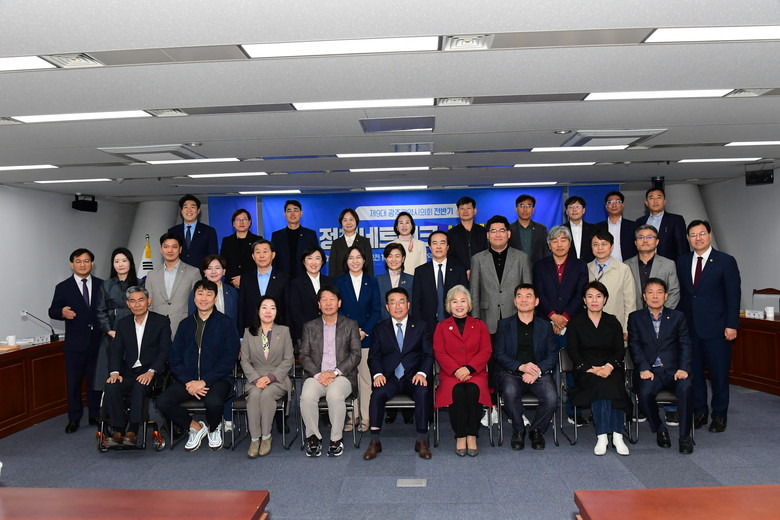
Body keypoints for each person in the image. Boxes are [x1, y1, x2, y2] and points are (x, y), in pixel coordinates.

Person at [157, 280, 240, 452]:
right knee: (162, 401)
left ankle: (214, 427)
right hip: (188, 379)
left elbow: (229, 359)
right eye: (200, 294)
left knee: (214, 402)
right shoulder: (185, 325)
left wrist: (204, 381)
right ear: (194, 298)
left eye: (209, 294)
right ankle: (195, 427)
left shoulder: (226, 323)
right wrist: (189, 381)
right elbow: (174, 358)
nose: (204, 298)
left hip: (217, 379)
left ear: (215, 298)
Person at [676, 220, 740, 433]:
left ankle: (720, 415)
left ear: (709, 235)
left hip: (717, 329)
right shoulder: (682, 261)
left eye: (702, 233)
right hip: (690, 329)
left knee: (719, 374)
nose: (698, 238)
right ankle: (700, 412)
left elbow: (733, 295)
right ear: (688, 239)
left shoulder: (725, 261)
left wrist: (732, 324)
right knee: (694, 374)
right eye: (693, 235)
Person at [363, 288, 434, 460]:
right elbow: (374, 356)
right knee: (377, 394)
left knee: (423, 392)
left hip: (413, 376)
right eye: (392, 302)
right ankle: (375, 441)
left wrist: (422, 373)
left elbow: (428, 354)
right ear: (387, 307)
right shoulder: (380, 328)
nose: (397, 306)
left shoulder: (421, 326)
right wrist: (378, 374)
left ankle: (421, 439)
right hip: (390, 377)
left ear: (408, 305)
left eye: (401, 302)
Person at [627, 278, 694, 454]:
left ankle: (685, 436)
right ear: (644, 296)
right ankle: (659, 428)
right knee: (644, 393)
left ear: (666, 296)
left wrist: (683, 368)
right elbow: (634, 345)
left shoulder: (677, 317)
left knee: (686, 388)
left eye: (659, 292)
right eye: (650, 292)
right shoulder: (635, 317)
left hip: (674, 371)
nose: (655, 296)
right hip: (650, 371)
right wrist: (643, 368)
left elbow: (685, 344)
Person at [533, 225, 589, 427]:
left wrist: (564, 317)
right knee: (544, 369)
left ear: (569, 244)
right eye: (554, 241)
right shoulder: (540, 266)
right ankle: (546, 409)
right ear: (549, 245)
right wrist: (552, 316)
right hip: (545, 323)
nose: (559, 244)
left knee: (573, 369)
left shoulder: (580, 265)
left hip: (571, 324)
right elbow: (539, 292)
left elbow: (580, 294)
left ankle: (574, 410)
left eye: (563, 240)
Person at [566, 281, 631, 456]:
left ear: (605, 299)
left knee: (613, 382)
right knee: (602, 385)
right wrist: (590, 369)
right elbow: (573, 350)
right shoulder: (575, 322)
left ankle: (617, 436)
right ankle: (602, 436)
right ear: (584, 300)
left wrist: (608, 367)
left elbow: (619, 350)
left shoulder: (613, 322)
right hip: (586, 370)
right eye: (590, 296)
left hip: (611, 367)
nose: (594, 300)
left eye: (599, 296)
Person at [493, 284, 558, 451]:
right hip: (511, 373)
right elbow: (499, 354)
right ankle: (519, 430)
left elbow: (552, 356)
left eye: (528, 296)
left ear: (536, 301)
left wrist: (536, 370)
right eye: (519, 296)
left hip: (538, 374)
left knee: (551, 398)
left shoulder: (545, 326)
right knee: (509, 392)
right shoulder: (504, 325)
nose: (524, 300)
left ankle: (536, 430)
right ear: (515, 301)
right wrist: (522, 367)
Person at [299, 286, 362, 457]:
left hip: (342, 375)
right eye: (324, 300)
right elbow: (303, 355)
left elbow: (356, 354)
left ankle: (336, 439)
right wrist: (319, 374)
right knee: (307, 396)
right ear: (319, 304)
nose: (328, 303)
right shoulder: (309, 327)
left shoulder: (350, 325)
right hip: (316, 375)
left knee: (334, 395)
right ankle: (313, 438)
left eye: (332, 299)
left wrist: (334, 373)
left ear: (339, 303)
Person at [104, 286, 170, 447]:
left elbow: (165, 351)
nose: (137, 304)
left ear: (149, 301)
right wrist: (114, 372)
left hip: (152, 372)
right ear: (128, 304)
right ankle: (118, 430)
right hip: (128, 372)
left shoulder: (161, 321)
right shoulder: (123, 323)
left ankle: (133, 431)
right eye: (132, 301)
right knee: (111, 385)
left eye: (141, 300)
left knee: (140, 386)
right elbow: (116, 351)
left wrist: (151, 371)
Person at [48, 248, 104, 433]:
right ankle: (74, 418)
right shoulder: (63, 287)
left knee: (95, 382)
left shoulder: (102, 285)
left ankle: (95, 414)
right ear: (72, 264)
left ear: (92, 264)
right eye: (78, 261)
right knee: (73, 383)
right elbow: (52, 311)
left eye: (86, 261)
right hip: (75, 345)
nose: (82, 265)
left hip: (97, 342)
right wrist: (61, 312)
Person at [433, 285, 492, 456]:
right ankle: (460, 435)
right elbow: (439, 352)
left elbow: (486, 350)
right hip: (451, 374)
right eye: (454, 301)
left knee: (473, 390)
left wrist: (469, 368)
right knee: (457, 391)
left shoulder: (479, 325)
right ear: (448, 305)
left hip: (475, 372)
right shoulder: (441, 327)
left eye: (463, 301)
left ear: (469, 304)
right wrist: (457, 370)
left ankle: (472, 434)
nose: (459, 305)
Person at [240, 296, 294, 458]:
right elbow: (244, 360)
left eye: (272, 308)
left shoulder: (284, 331)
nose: (268, 311)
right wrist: (257, 379)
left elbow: (288, 359)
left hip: (278, 378)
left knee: (267, 394)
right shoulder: (249, 332)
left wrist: (270, 378)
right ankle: (254, 439)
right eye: (264, 307)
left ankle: (266, 437)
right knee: (255, 395)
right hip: (255, 378)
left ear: (277, 312)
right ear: (258, 311)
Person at [334, 246, 381, 432]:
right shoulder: (339, 282)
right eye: (351, 258)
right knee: (348, 378)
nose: (355, 261)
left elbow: (376, 310)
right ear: (346, 262)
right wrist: (353, 332)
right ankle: (352, 416)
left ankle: (366, 417)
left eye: (358, 257)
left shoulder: (372, 281)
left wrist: (364, 331)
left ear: (364, 260)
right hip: (346, 337)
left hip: (367, 337)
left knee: (366, 378)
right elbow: (337, 309)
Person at [469, 215, 532, 334]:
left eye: (502, 231)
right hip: (487, 320)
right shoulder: (477, 259)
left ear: (508, 234)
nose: (498, 235)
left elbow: (528, 291)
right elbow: (474, 292)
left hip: (515, 317)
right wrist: (475, 319)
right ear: (488, 235)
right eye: (493, 231)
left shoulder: (522, 258)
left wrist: (528, 317)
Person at [95, 247, 142, 393]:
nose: (120, 264)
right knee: (109, 374)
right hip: (111, 334)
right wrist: (110, 331)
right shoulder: (106, 285)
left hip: (134, 333)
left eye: (124, 260)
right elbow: (100, 311)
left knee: (131, 375)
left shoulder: (140, 284)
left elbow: (143, 309)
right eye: (116, 261)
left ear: (130, 263)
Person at [145, 233, 201, 337]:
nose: (170, 250)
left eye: (174, 247)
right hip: (157, 330)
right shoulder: (152, 275)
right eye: (166, 246)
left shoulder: (193, 272)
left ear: (180, 249)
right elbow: (149, 305)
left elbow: (198, 302)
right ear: (161, 249)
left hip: (184, 328)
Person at [412, 230, 468, 334]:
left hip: (454, 323)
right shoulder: (421, 271)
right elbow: (416, 302)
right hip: (427, 325)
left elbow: (465, 299)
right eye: (435, 243)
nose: (438, 247)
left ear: (448, 247)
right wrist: (418, 327)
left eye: (442, 243)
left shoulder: (459, 270)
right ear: (430, 247)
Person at [588, 229, 636, 339]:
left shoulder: (623, 269)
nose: (600, 248)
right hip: (589, 326)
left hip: (616, 325)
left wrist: (627, 328)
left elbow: (630, 302)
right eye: (596, 244)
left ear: (612, 246)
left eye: (604, 244)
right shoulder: (585, 268)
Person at [238, 239, 290, 332]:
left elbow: (287, 308)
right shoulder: (246, 278)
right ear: (253, 256)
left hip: (277, 330)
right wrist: (241, 334)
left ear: (273, 255)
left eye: (265, 252)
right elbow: (241, 307)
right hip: (252, 330)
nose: (261, 256)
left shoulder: (284, 278)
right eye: (258, 252)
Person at [625, 225, 680, 311]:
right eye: (641, 237)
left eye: (649, 237)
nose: (645, 240)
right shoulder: (626, 265)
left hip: (661, 316)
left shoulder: (668, 264)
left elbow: (674, 292)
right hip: (633, 315)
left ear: (657, 242)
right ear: (635, 242)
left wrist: (660, 313)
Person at [289, 246, 334, 346]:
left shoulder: (330, 282)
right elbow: (296, 312)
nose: (313, 262)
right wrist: (314, 329)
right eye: (309, 258)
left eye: (317, 258)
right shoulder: (296, 284)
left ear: (322, 261)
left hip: (330, 334)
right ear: (304, 262)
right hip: (306, 335)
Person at [635, 188, 688, 261]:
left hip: (668, 264)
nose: (655, 201)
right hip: (644, 263)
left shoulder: (675, 220)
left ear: (664, 201)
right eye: (652, 198)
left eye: (659, 197)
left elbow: (682, 247)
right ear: (646, 203)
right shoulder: (640, 221)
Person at [167, 194, 218, 269]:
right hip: (178, 272)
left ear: (198, 211)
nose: (189, 210)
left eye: (192, 207)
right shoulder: (173, 231)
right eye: (185, 207)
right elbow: (170, 254)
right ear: (181, 211)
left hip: (200, 273)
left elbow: (213, 256)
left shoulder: (209, 231)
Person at [271, 199, 319, 279]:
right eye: (289, 211)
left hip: (304, 278)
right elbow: (274, 260)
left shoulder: (310, 234)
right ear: (285, 214)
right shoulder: (277, 236)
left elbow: (316, 256)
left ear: (301, 213)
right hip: (282, 279)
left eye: (296, 210)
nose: (292, 214)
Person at [188, 254, 238, 326]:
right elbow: (192, 317)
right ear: (204, 272)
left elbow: (236, 317)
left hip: (227, 330)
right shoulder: (197, 291)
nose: (213, 272)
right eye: (209, 268)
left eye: (217, 268)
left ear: (224, 271)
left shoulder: (232, 292)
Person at [219, 208, 261, 289]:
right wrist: (234, 279)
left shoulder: (257, 240)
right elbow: (223, 262)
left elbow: (260, 263)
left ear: (249, 222)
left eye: (244, 219)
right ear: (233, 223)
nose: (241, 222)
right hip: (231, 283)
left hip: (252, 282)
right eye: (238, 220)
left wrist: (243, 278)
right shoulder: (227, 241)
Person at [328, 208, 374, 279]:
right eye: (345, 220)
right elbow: (332, 267)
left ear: (356, 221)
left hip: (361, 281)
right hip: (341, 282)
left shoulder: (364, 242)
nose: (348, 223)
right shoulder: (336, 243)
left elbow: (369, 266)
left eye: (351, 219)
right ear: (341, 223)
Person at [447, 196, 488, 273]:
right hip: (459, 275)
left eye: (468, 208)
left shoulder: (483, 232)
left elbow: (488, 254)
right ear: (457, 212)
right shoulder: (451, 234)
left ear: (474, 211)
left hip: (482, 273)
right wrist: (463, 271)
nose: (465, 211)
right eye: (462, 209)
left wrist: (476, 271)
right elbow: (450, 257)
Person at [508, 194, 550, 266]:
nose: (525, 210)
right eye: (521, 206)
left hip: (537, 269)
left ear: (533, 209)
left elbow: (546, 252)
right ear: (516, 209)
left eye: (528, 206)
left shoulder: (541, 229)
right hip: (514, 269)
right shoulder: (509, 229)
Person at [376, 243, 414, 321]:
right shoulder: (377, 280)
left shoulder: (412, 280)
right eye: (390, 256)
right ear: (385, 259)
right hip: (382, 324)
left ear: (403, 259)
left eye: (397, 256)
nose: (393, 260)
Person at [595, 191, 636, 262]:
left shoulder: (633, 226)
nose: (614, 205)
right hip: (604, 265)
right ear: (606, 206)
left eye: (617, 202)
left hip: (628, 265)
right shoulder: (597, 227)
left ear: (622, 205)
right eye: (610, 202)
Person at [563, 195, 598, 263]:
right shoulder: (561, 230)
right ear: (567, 211)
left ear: (583, 210)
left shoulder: (593, 229)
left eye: (578, 207)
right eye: (571, 207)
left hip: (589, 265)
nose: (574, 210)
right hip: (568, 265)